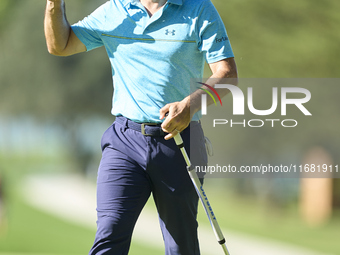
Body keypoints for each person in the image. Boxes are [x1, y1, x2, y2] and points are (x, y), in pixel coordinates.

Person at [44, 0, 237, 254]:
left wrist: (189, 106)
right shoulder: (115, 10)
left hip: (180, 143)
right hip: (124, 142)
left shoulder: (199, 8)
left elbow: (227, 75)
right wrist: (54, 4)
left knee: (180, 245)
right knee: (110, 233)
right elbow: (61, 45)